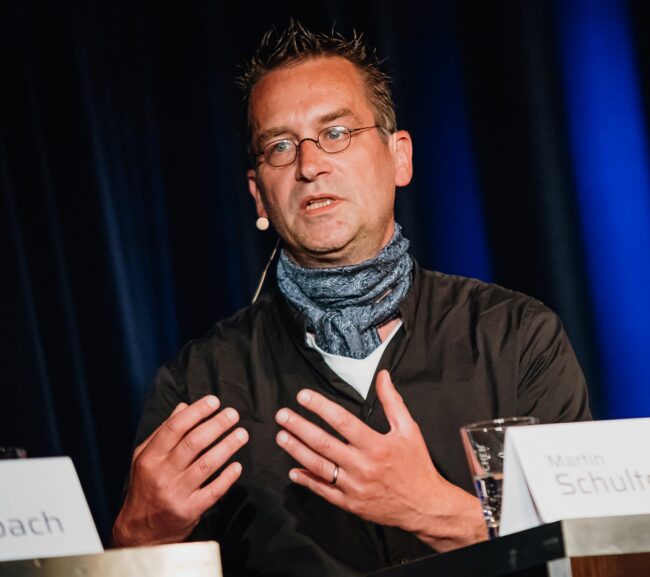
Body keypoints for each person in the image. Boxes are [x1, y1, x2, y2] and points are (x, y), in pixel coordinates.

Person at [112, 21, 591, 576]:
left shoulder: (516, 338)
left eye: (335, 133)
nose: (310, 166)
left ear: (400, 158)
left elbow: (598, 555)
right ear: (258, 194)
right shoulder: (202, 386)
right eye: (280, 146)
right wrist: (138, 534)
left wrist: (435, 509)